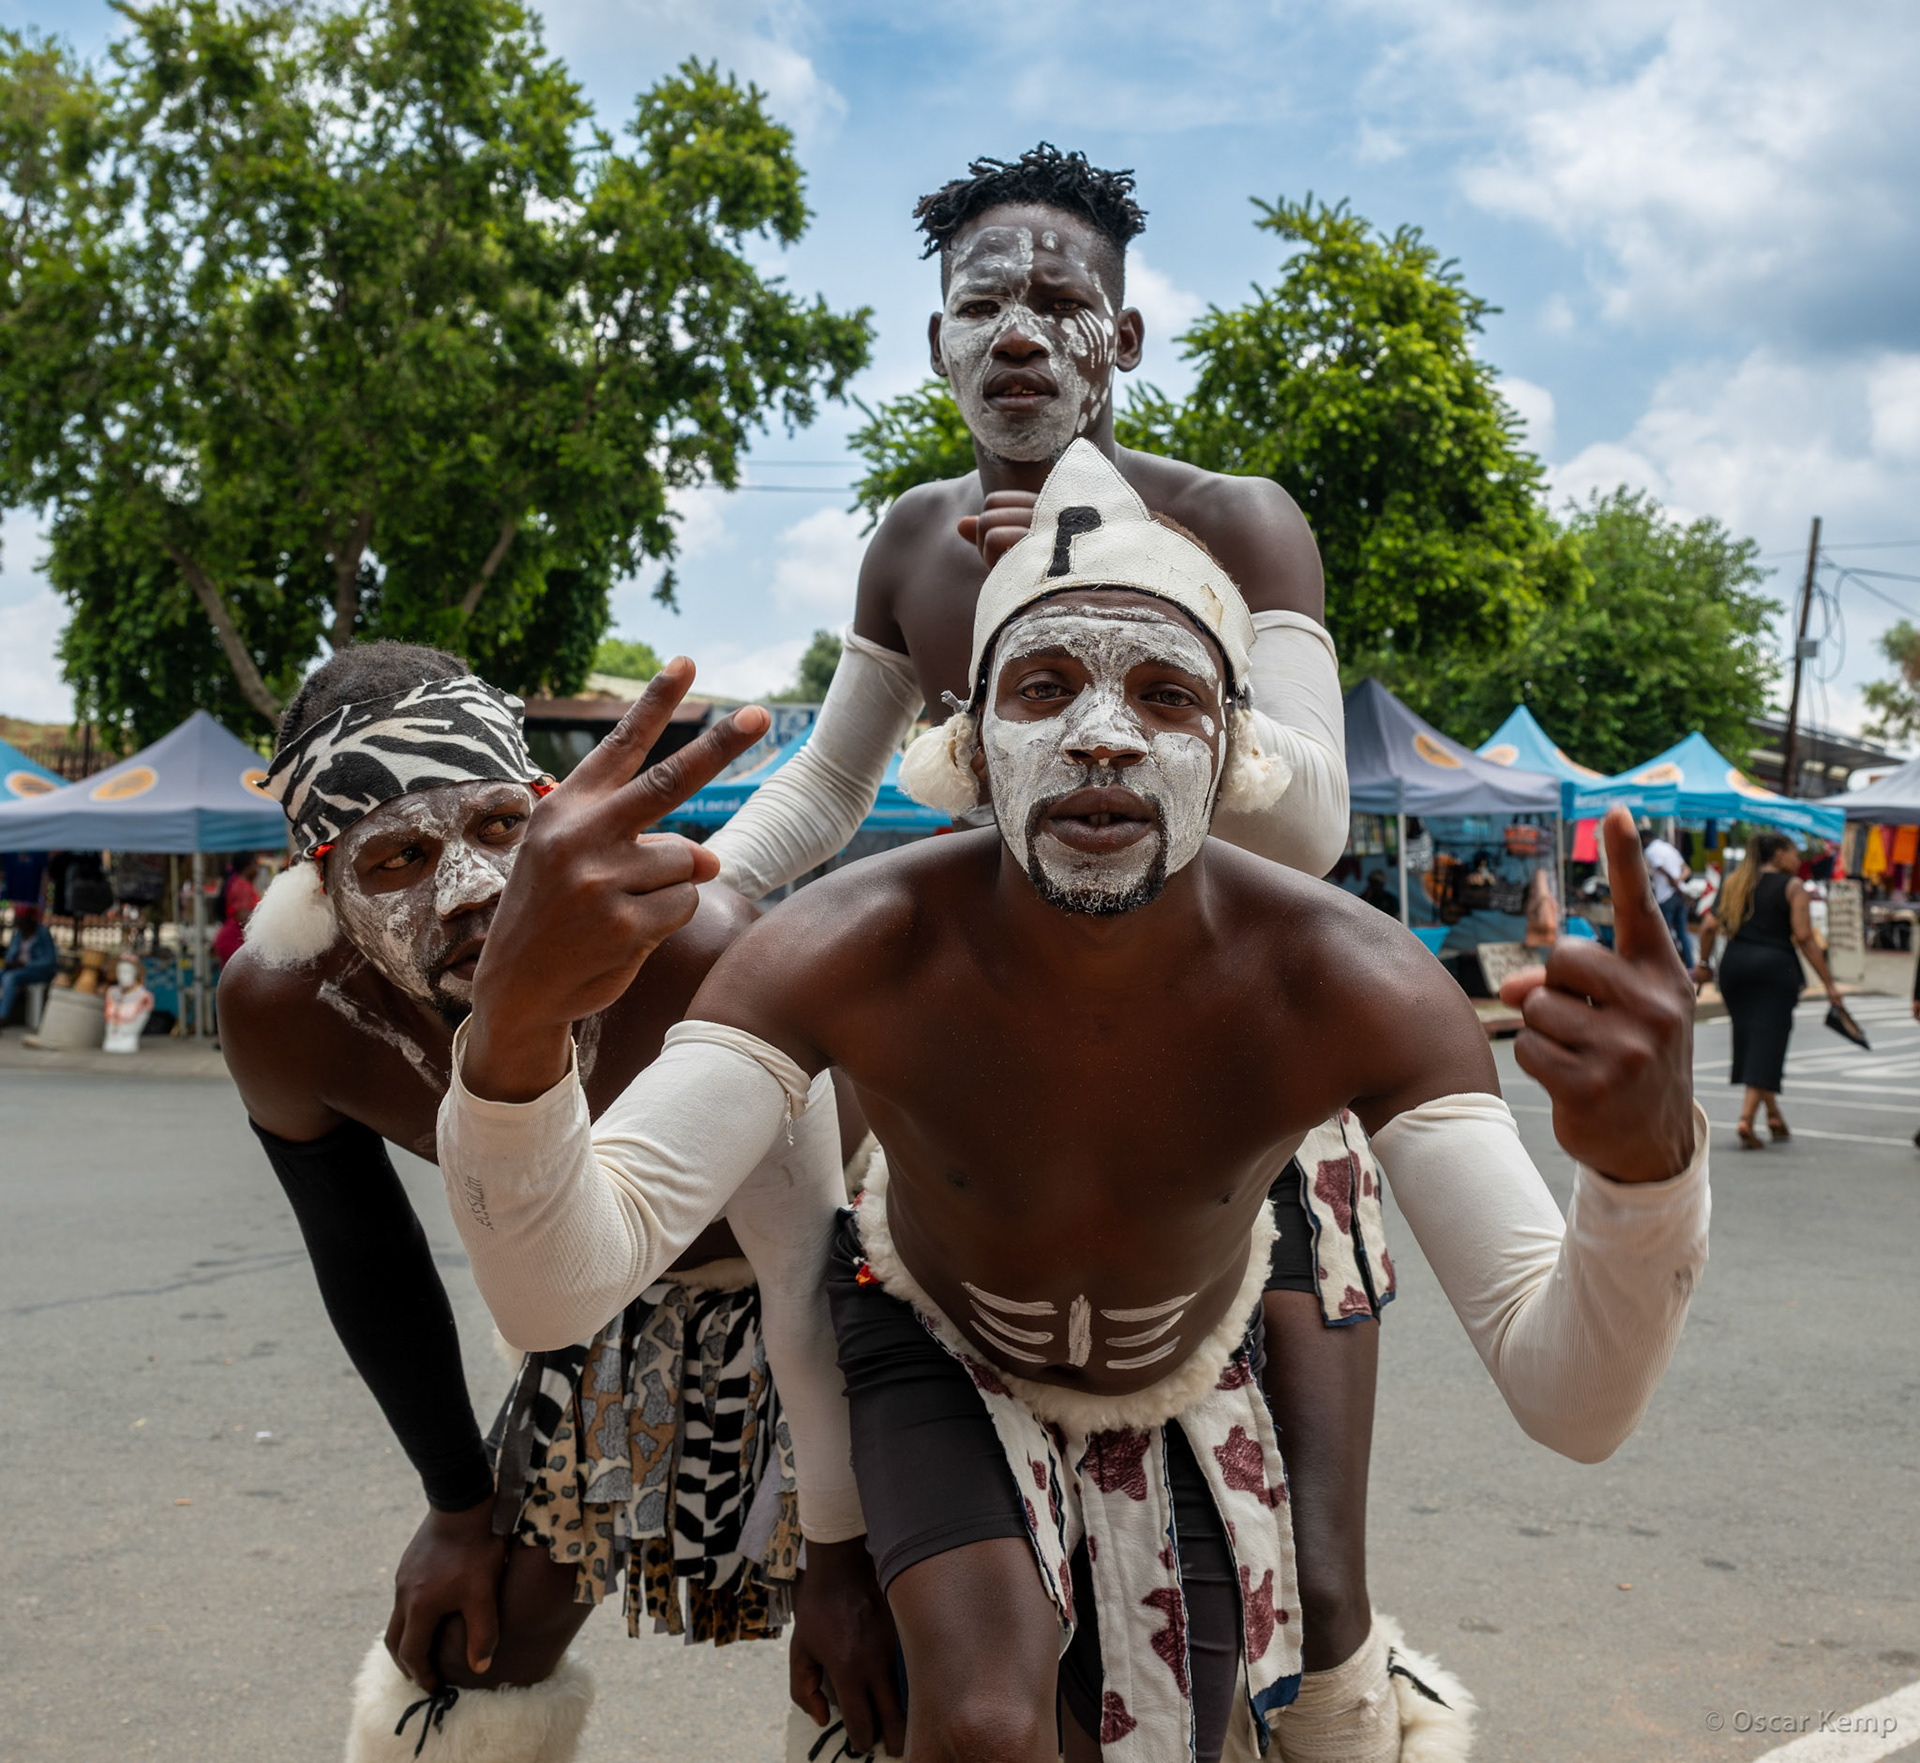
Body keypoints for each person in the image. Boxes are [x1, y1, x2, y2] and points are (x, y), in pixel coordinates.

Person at [438, 449, 1711, 1763]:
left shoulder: (1357, 984)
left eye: (1165, 693)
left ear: (1234, 757)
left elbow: (1574, 1399)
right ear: (970, 749)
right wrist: (520, 1031)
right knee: (986, 1722)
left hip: (1192, 1372)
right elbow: (554, 1291)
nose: (1105, 731)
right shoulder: (838, 950)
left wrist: (1643, 1175)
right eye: (1047, 685)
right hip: (932, 1341)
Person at [700, 146, 1404, 1743]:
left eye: (1059, 299)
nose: (1019, 327)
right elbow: (826, 785)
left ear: (1125, 340)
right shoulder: (908, 540)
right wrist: (686, 895)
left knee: (1325, 1580)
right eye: (982, 301)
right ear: (936, 344)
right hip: (1001, 1059)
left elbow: (1307, 828)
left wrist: (1088, 562)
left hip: (1238, 1077)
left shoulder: (1236, 520)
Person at [218, 642, 900, 1763]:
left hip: (848, 1274)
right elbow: (364, 1251)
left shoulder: (695, 948)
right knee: (460, 1657)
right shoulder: (290, 1010)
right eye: (397, 857)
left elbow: (802, 1273)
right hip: (606, 1295)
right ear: (318, 892)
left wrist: (845, 1558)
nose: (474, 890)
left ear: (550, 816)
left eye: (497, 829)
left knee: (886, 1666)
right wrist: (454, 1501)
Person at [1693, 831, 1843, 1150]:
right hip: (1776, 969)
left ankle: (1773, 1115)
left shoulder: (1735, 883)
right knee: (1768, 1041)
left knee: (1753, 1037)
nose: (1797, 858)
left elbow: (1708, 926)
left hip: (1736, 967)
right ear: (1778, 855)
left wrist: (1704, 964)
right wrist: (1829, 983)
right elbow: (1804, 937)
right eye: (1792, 852)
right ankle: (1746, 1118)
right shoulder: (1793, 887)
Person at [1642, 827, 1692, 965]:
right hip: (1679, 894)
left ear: (1646, 839)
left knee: (1664, 934)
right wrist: (1678, 881)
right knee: (1682, 933)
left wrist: (1673, 880)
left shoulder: (1651, 850)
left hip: (1666, 896)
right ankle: (1690, 966)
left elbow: (1659, 867)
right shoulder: (1669, 848)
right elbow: (1686, 870)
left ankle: (1667, 965)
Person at [1, 902, 57, 1024]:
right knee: (5, 974)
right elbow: (10, 956)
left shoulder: (43, 934)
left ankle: (3, 1016)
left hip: (38, 973)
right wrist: (11, 963)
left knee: (10, 977)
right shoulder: (18, 935)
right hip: (18, 971)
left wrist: (25, 965)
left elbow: (50, 961)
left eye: (20, 919)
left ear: (29, 920)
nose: (18, 922)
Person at [212, 854, 263, 968]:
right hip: (233, 941)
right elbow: (243, 917)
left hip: (233, 939)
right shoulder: (242, 886)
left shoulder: (240, 884)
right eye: (255, 865)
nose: (257, 869)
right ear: (247, 867)